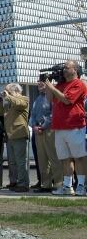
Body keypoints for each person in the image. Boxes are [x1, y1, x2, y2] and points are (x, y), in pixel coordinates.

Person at [44, 60, 87, 196]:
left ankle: (81, 185)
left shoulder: (79, 84)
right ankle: (67, 186)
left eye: (67, 67)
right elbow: (50, 98)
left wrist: (51, 86)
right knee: (65, 159)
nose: (64, 70)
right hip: (59, 127)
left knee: (79, 157)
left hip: (74, 125)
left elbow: (67, 100)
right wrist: (47, 85)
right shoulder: (60, 85)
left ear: (75, 70)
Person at [29, 82, 62, 192]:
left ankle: (58, 184)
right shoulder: (37, 98)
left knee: (53, 157)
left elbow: (53, 114)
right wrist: (34, 126)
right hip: (38, 132)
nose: (39, 84)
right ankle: (46, 184)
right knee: (42, 159)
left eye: (42, 83)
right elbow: (32, 114)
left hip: (49, 130)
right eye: (38, 83)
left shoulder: (51, 97)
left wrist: (43, 126)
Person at [0, 83, 30, 192]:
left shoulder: (24, 99)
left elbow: (19, 104)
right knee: (11, 162)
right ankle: (14, 181)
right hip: (9, 134)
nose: (6, 93)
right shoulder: (9, 100)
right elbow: (1, 112)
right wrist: (1, 100)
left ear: (16, 91)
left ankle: (23, 184)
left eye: (8, 91)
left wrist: (8, 96)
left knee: (20, 161)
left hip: (19, 133)